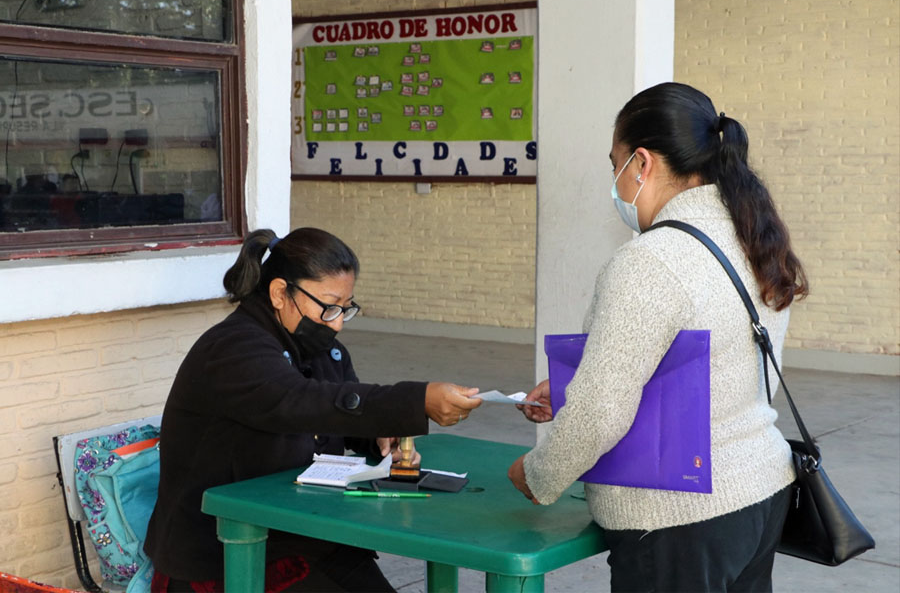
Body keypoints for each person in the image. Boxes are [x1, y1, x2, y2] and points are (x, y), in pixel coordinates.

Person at [508, 82, 809, 592]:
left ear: (641, 164)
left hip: (678, 517)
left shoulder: (650, 261)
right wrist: (572, 389)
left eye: (615, 165)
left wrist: (539, 474)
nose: (616, 183)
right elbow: (728, 370)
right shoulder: (753, 237)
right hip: (761, 492)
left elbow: (601, 411)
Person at [144, 227, 482, 592]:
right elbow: (299, 401)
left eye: (345, 308)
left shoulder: (323, 349)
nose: (336, 322)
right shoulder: (233, 348)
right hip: (225, 552)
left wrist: (381, 439)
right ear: (279, 293)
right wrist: (416, 401)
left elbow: (340, 416)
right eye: (328, 306)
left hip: (307, 534)